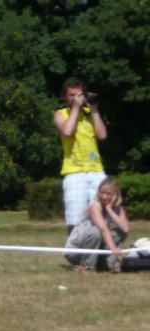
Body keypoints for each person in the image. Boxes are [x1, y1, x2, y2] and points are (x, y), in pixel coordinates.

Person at [54, 77, 108, 236]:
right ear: (65, 97)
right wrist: (76, 109)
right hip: (74, 171)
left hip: (96, 170)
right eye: (71, 95)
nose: (76, 98)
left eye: (79, 94)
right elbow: (67, 131)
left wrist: (95, 109)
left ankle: (100, 254)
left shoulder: (90, 114)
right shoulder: (60, 114)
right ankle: (76, 254)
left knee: (102, 214)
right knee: (75, 217)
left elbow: (102, 135)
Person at [64, 177, 129, 274]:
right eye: (102, 192)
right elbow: (103, 229)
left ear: (116, 195)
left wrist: (109, 209)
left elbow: (126, 229)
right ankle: (86, 266)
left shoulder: (119, 209)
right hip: (76, 250)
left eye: (108, 194)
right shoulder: (94, 206)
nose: (104, 197)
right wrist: (113, 248)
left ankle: (108, 263)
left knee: (120, 232)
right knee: (95, 231)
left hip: (97, 248)